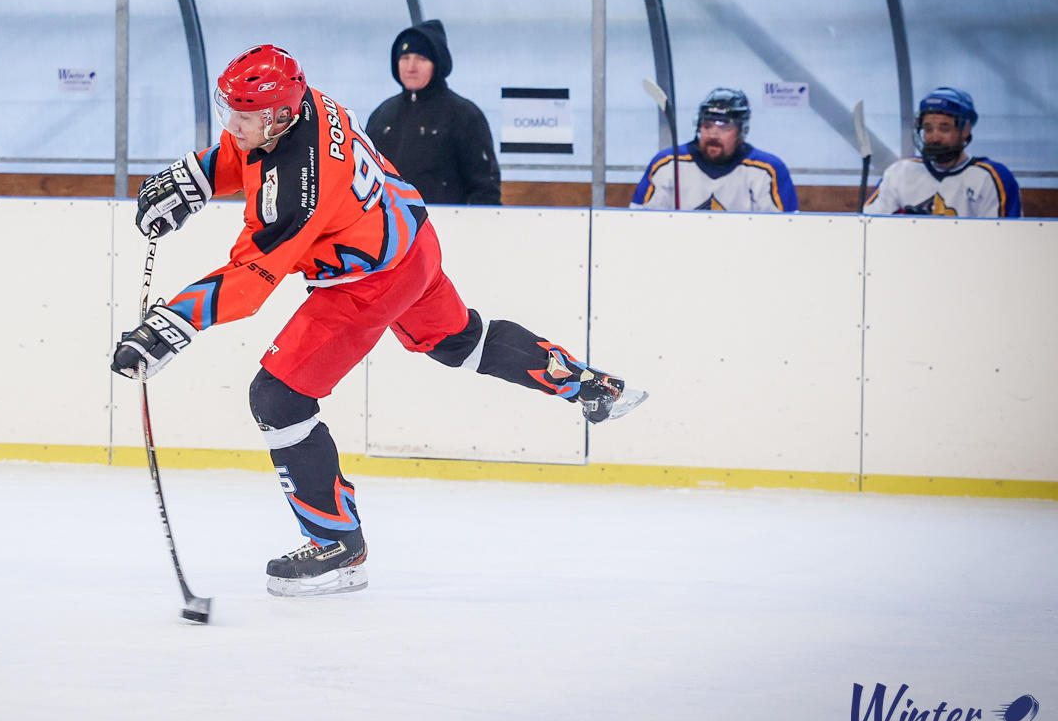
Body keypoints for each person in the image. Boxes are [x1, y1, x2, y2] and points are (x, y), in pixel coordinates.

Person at [110, 45, 647, 598]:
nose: (232, 125)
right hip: (411, 243)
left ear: (279, 114)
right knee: (460, 341)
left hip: (368, 280)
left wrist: (169, 325)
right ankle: (587, 384)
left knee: (278, 397)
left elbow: (249, 279)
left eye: (244, 115)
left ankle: (337, 548)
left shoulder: (298, 187)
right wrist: (196, 178)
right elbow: (252, 148)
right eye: (230, 111)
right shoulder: (304, 104)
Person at [364, 19, 501, 205]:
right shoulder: (382, 115)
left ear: (438, 63)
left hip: (443, 221)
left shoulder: (464, 115)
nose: (411, 67)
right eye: (405, 58)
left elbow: (485, 189)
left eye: (422, 59)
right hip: (386, 220)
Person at [631, 88, 797, 212]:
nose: (713, 134)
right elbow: (639, 223)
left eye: (724, 127)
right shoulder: (668, 163)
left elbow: (785, 230)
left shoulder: (767, 170)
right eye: (707, 125)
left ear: (742, 131)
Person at [864, 87, 1020, 218]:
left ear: (966, 129)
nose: (935, 137)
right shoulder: (900, 172)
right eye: (928, 129)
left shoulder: (990, 177)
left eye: (944, 128)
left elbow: (1001, 236)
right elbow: (868, 224)